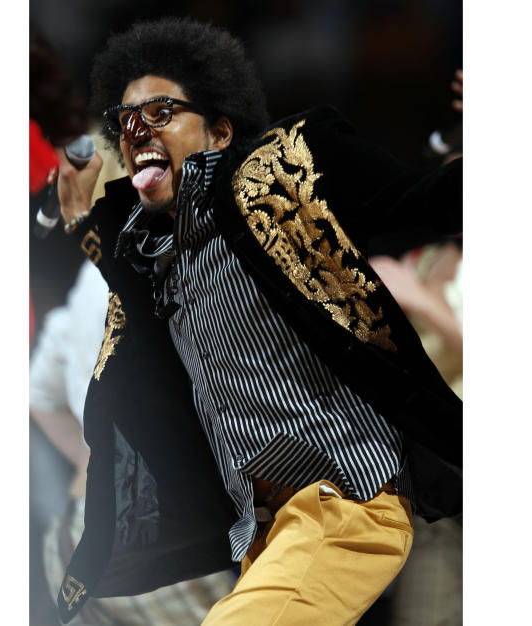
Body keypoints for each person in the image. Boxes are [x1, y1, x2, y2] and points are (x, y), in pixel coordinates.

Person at [54, 17, 462, 625]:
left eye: (161, 111)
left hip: (345, 501)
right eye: (124, 121)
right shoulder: (163, 266)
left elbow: (427, 200)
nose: (135, 128)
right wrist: (85, 226)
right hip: (263, 536)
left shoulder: (279, 177)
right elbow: (127, 315)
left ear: (219, 130)